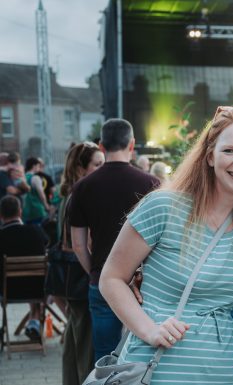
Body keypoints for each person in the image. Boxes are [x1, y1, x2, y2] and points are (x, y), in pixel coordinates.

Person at [100, 106, 233, 384]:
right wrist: (150, 330)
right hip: (157, 370)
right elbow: (111, 278)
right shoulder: (164, 206)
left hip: (223, 372)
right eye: (229, 150)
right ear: (209, 156)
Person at [70, 118, 160, 362]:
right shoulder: (151, 184)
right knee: (144, 349)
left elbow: (77, 244)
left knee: (105, 353)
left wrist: (96, 272)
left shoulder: (83, 187)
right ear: (131, 145)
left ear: (101, 146)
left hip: (102, 279)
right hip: (144, 283)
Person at [57, 141, 104, 385]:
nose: (102, 169)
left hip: (73, 272)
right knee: (85, 342)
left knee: (74, 338)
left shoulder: (70, 193)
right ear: (80, 167)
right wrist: (95, 275)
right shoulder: (80, 194)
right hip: (80, 272)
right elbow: (78, 244)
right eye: (97, 164)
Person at [0, 195, 49, 341]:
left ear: (1, 215)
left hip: (7, 291)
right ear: (20, 212)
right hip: (37, 290)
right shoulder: (35, 231)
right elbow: (47, 243)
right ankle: (34, 321)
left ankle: (29, 323)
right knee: (33, 277)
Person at [23, 157, 51, 225]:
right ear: (34, 166)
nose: (39, 168)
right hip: (37, 211)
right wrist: (46, 206)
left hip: (26, 211)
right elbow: (41, 194)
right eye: (38, 166)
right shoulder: (35, 178)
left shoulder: (23, 177)